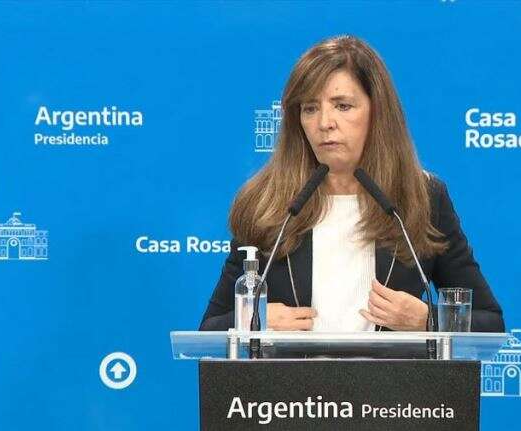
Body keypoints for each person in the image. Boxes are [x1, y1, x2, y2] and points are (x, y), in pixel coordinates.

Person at [199, 35, 504, 333]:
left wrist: (427, 319)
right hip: (290, 371)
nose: (324, 123)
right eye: (310, 108)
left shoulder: (423, 197)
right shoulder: (266, 202)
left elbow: (489, 322)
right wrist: (254, 319)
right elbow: (210, 328)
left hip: (395, 371)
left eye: (342, 106)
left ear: (377, 112)